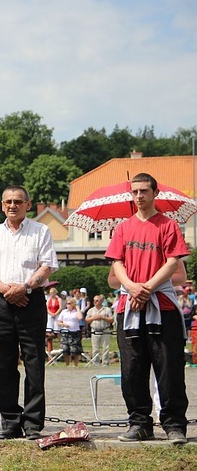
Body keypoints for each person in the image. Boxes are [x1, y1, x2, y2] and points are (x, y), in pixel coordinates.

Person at [105, 173, 190, 445]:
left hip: (161, 306)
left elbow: (173, 261)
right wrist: (131, 287)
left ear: (155, 193)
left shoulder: (168, 225)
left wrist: (147, 288)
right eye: (135, 192)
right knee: (132, 369)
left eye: (144, 191)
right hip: (129, 308)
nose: (139, 196)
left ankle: (174, 424)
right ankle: (139, 422)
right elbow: (116, 262)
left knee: (169, 368)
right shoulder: (123, 228)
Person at [0, 185, 58, 440]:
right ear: (1, 205)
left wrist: (24, 288)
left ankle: (33, 423)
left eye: (18, 201)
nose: (13, 205)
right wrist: (6, 289)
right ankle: (10, 421)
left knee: (34, 364)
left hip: (31, 300)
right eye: (8, 202)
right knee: (2, 365)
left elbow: (47, 266)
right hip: (1, 302)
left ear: (27, 204)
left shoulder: (41, 231)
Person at [86, 294, 114, 366]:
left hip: (105, 330)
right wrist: (93, 318)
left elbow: (111, 320)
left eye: (97, 300)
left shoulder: (107, 309)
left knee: (106, 348)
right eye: (94, 300)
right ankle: (96, 363)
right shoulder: (91, 310)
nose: (95, 302)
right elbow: (87, 319)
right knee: (95, 348)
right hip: (95, 330)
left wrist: (102, 317)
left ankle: (105, 363)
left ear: (101, 301)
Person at [57, 298, 83, 367]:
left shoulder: (76, 312)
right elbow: (59, 321)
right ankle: (67, 364)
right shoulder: (64, 312)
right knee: (65, 349)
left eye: (69, 303)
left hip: (75, 332)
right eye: (67, 303)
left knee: (75, 350)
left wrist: (77, 308)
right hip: (65, 332)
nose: (67, 305)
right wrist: (63, 324)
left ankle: (75, 364)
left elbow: (80, 317)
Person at [45, 287, 63, 352]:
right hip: (50, 316)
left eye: (52, 293)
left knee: (58, 331)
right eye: (50, 293)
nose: (51, 294)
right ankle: (49, 347)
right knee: (49, 331)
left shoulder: (59, 299)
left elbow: (60, 307)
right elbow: (47, 308)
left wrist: (55, 313)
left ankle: (61, 346)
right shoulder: (48, 299)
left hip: (57, 315)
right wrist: (51, 313)